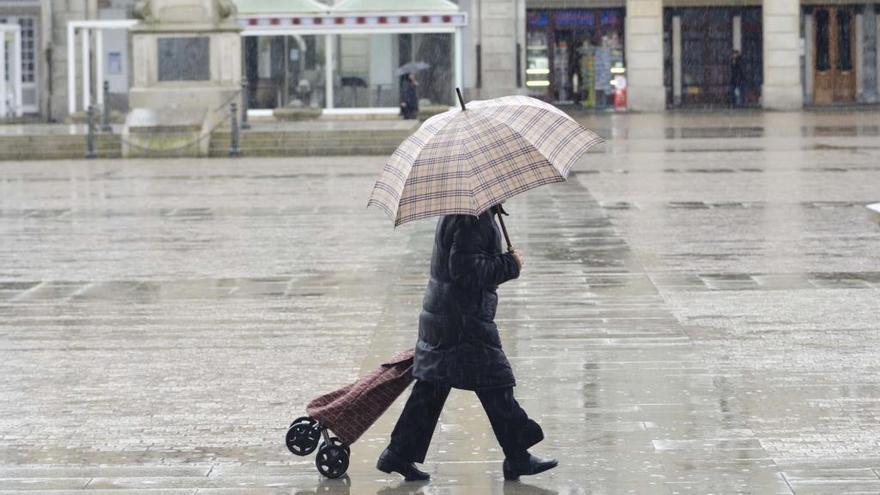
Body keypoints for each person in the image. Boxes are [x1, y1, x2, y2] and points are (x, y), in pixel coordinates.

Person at [376, 206, 558, 482]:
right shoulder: (473, 217)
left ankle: (399, 453)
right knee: (496, 384)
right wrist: (511, 265)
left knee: (433, 388)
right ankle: (518, 456)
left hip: (446, 316)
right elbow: (465, 269)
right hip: (463, 323)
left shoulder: (466, 211)